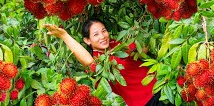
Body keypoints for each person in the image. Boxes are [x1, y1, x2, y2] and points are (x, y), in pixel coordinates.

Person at [44, 18, 174, 106]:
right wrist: (64, 36)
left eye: (104, 31)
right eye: (96, 34)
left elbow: (142, 49)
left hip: (164, 87)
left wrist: (142, 33)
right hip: (146, 103)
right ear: (87, 41)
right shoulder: (98, 63)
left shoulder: (116, 43)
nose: (102, 36)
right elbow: (88, 62)